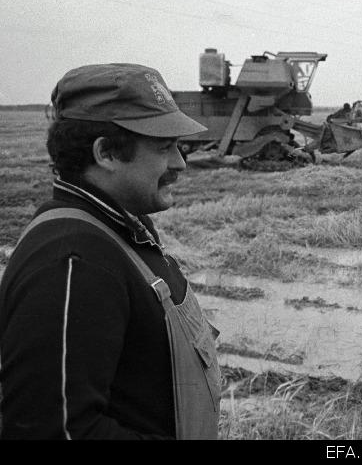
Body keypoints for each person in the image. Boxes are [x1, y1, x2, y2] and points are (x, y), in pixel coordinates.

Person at [0, 63, 221, 439]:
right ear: (106, 153)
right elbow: (55, 431)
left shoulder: (120, 230)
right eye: (165, 147)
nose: (180, 163)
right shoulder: (73, 261)